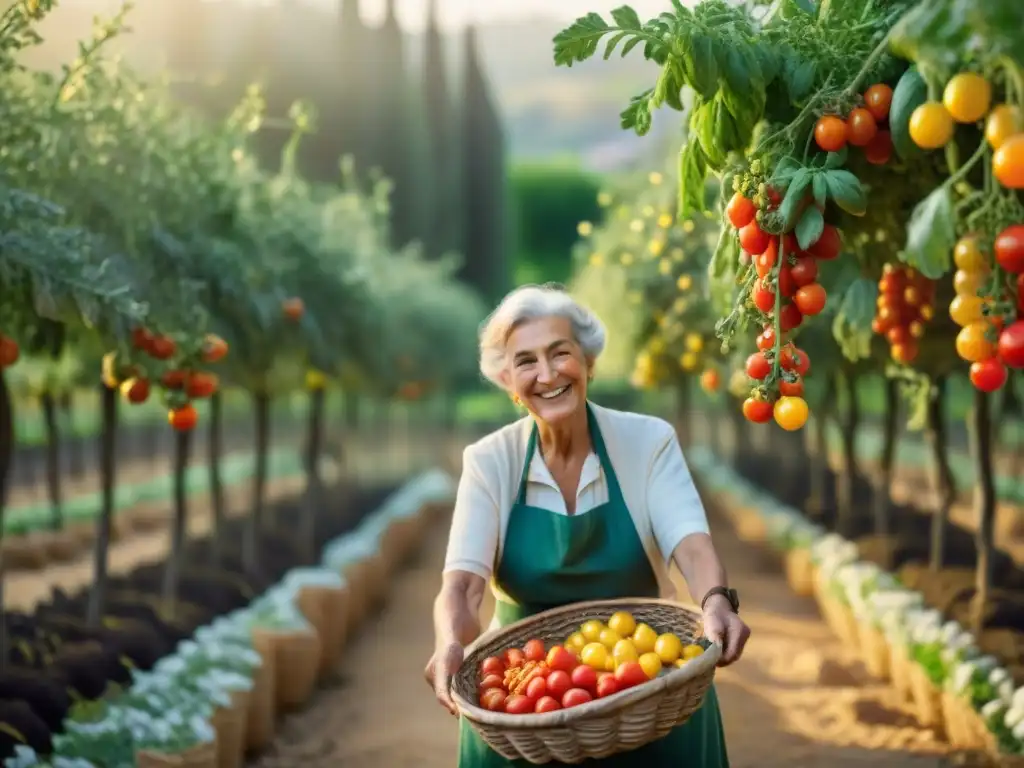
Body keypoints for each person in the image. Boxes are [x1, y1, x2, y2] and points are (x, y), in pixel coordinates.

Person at [425, 284, 749, 767]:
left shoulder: (646, 442)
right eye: (526, 361)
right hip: (527, 698)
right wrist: (449, 643)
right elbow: (464, 586)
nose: (547, 374)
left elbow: (691, 543)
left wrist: (715, 599)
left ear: (589, 362)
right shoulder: (490, 461)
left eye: (561, 353)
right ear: (510, 383)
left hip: (646, 689)